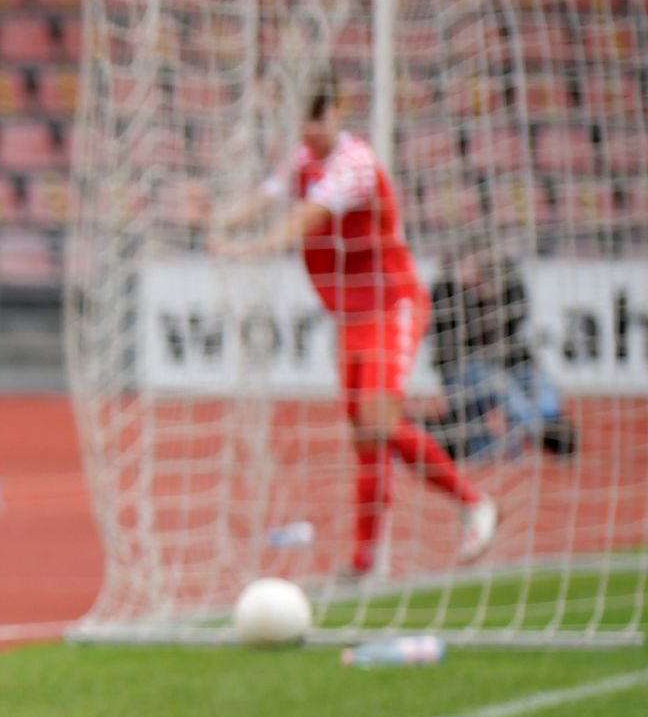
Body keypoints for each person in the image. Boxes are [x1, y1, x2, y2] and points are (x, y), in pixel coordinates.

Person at [214, 79, 497, 578]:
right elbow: (266, 196)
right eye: (303, 122)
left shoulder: (355, 165)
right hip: (350, 317)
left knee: (379, 420)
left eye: (317, 119)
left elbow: (304, 218)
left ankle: (473, 503)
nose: (309, 132)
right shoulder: (303, 158)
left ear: (339, 111)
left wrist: (249, 249)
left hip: (392, 305)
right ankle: (365, 560)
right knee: (365, 436)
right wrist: (215, 220)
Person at [425, 239, 576, 462]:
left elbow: (518, 318)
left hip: (510, 360)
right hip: (466, 366)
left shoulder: (507, 280)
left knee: (543, 388)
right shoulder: (445, 288)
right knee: (506, 392)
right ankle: (540, 434)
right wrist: (470, 295)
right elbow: (446, 335)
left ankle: (548, 427)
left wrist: (491, 293)